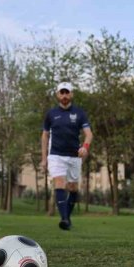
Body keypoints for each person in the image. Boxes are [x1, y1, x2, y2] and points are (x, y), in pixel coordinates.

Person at [41, 82, 93, 230]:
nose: (64, 95)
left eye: (67, 92)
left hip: (74, 156)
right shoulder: (51, 114)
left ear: (71, 94)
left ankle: (67, 217)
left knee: (73, 187)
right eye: (61, 93)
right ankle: (63, 219)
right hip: (56, 155)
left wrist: (85, 147)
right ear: (57, 95)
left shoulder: (80, 113)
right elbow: (44, 136)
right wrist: (44, 158)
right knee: (59, 183)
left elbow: (88, 134)